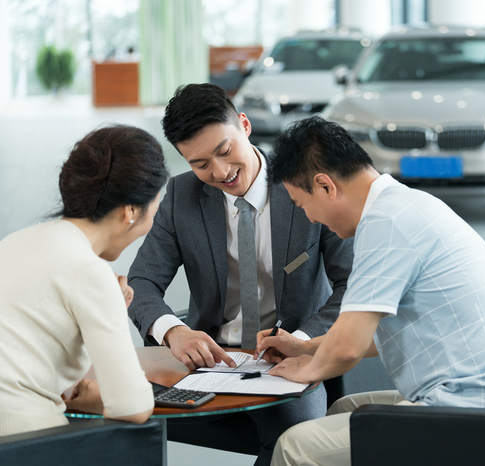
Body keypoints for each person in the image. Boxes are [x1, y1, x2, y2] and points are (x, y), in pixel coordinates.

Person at [255, 116, 485, 466]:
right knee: (343, 409)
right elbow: (383, 335)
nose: (311, 219)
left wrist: (305, 370)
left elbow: (349, 346)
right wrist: (303, 348)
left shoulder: (385, 223)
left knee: (295, 447)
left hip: (478, 410)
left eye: (302, 205)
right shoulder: (404, 205)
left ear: (325, 186)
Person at [126, 83, 353, 465]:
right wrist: (173, 330)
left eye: (225, 151)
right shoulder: (182, 196)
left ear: (244, 125)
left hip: (292, 361)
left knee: (296, 437)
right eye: (200, 164)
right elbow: (142, 281)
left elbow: (352, 284)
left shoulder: (306, 185)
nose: (220, 172)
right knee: (124, 419)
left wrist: (299, 341)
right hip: (208, 363)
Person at [0, 125, 169, 438]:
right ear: (130, 211)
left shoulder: (13, 242)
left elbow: (27, 356)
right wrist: (96, 400)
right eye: (154, 207)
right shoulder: (90, 271)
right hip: (23, 442)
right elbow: (133, 406)